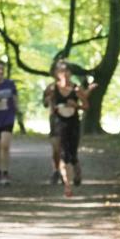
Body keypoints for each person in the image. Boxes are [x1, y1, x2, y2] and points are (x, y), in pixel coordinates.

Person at [45, 61, 91, 198]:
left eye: (67, 71)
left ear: (70, 73)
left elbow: (86, 106)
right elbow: (46, 103)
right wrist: (50, 101)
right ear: (57, 74)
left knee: (72, 154)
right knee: (63, 154)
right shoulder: (52, 88)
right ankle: (67, 186)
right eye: (61, 71)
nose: (64, 74)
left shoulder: (76, 89)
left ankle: (77, 170)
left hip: (73, 123)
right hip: (59, 123)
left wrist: (76, 106)